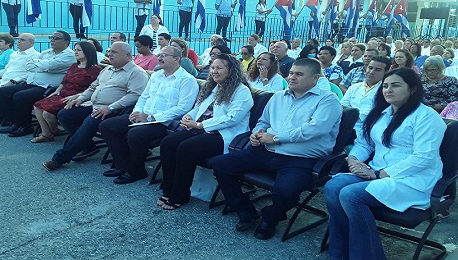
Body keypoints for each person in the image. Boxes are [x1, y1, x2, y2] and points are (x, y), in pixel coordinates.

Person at [212, 58, 342, 240]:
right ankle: (246, 211)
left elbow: (315, 129)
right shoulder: (279, 96)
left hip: (299, 158)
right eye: (291, 73)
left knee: (286, 191)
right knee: (220, 165)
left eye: (299, 74)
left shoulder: (328, 100)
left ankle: (271, 217)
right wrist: (257, 134)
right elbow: (264, 122)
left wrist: (276, 138)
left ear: (315, 79)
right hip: (265, 151)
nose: (292, 77)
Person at [324, 68, 446, 260]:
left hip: (412, 179)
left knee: (351, 195)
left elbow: (424, 157)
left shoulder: (427, 117)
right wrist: (354, 159)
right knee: (333, 186)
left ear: (413, 89)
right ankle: (339, 253)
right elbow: (365, 143)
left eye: (396, 85)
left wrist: (380, 174)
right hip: (376, 171)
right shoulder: (381, 114)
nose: (388, 90)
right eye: (386, 86)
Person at [157, 54, 254, 210]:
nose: (214, 71)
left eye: (219, 68)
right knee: (168, 143)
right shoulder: (213, 87)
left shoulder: (241, 91)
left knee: (186, 148)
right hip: (200, 129)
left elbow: (232, 118)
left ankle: (180, 194)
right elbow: (199, 108)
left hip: (222, 134)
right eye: (213, 67)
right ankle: (168, 189)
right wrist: (189, 117)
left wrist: (199, 125)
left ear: (231, 70)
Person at [98, 46, 199, 184]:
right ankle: (122, 165)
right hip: (144, 116)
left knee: (135, 134)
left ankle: (136, 171)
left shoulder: (187, 80)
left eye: (164, 55)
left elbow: (183, 108)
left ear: (177, 59)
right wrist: (136, 112)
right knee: (107, 126)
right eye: (159, 55)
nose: (159, 57)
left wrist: (151, 117)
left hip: (165, 122)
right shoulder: (157, 75)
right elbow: (144, 97)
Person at [41, 42, 149, 171]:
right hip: (94, 105)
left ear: (127, 55)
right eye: (109, 51)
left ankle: (59, 158)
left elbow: (134, 96)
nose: (109, 54)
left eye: (114, 52)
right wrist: (80, 99)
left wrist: (110, 108)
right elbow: (93, 87)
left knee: (90, 121)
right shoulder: (107, 69)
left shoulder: (136, 73)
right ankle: (88, 146)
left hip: (115, 110)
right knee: (65, 114)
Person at [0, 30, 75, 137]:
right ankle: (15, 123)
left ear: (66, 42)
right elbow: (28, 65)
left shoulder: (70, 55)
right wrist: (43, 66)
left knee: (20, 97)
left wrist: (41, 65)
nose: (52, 40)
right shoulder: (46, 52)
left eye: (56, 38)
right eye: (51, 37)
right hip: (32, 82)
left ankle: (25, 127)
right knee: (3, 92)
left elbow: (50, 66)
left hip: (47, 87)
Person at [32, 41, 101, 143]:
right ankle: (46, 133)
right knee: (37, 106)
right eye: (75, 50)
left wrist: (78, 96)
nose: (75, 52)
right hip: (63, 93)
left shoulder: (95, 69)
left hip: (76, 96)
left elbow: (94, 88)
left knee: (48, 113)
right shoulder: (74, 66)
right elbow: (64, 81)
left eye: (79, 50)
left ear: (87, 52)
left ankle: (54, 131)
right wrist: (57, 91)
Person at [341, 57, 391, 143]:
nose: (371, 72)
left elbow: (378, 115)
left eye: (378, 70)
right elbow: (342, 107)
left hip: (367, 129)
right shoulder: (354, 87)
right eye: (370, 68)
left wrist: (354, 115)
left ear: (385, 73)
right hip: (347, 125)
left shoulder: (386, 91)